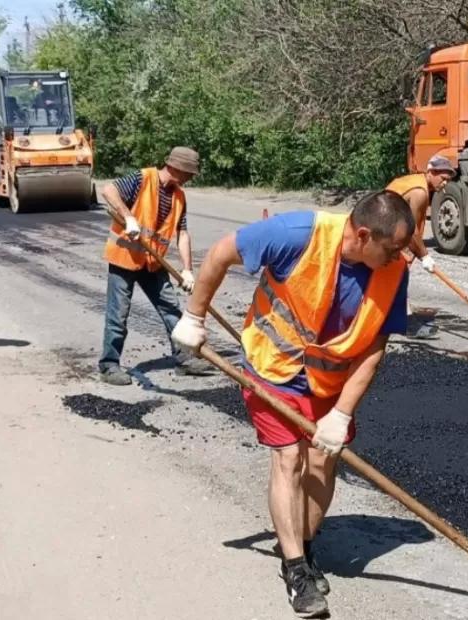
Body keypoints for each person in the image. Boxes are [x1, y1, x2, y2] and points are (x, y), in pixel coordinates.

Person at [171, 192, 413, 617]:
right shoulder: (296, 234)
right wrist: (194, 316)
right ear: (363, 235)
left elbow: (374, 348)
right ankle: (296, 569)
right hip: (272, 364)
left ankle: (303, 544)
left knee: (323, 460)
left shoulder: (395, 272)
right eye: (392, 248)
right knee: (290, 459)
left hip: (330, 380)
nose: (399, 257)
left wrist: (341, 414)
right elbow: (222, 253)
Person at [98, 146, 211, 385]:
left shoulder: (179, 196)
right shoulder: (143, 178)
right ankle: (109, 365)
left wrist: (187, 269)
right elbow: (108, 190)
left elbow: (182, 234)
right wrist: (128, 217)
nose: (190, 178)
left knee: (172, 310)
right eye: (189, 173)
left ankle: (184, 359)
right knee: (118, 315)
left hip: (153, 263)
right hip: (125, 258)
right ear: (176, 168)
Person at [386, 154, 456, 337]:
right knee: (397, 278)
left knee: (394, 279)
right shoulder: (420, 192)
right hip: (385, 234)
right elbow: (411, 230)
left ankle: (396, 317)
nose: (444, 184)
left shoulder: (415, 182)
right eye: (443, 178)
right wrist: (425, 256)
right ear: (431, 172)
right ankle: (407, 323)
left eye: (447, 180)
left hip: (387, 230)